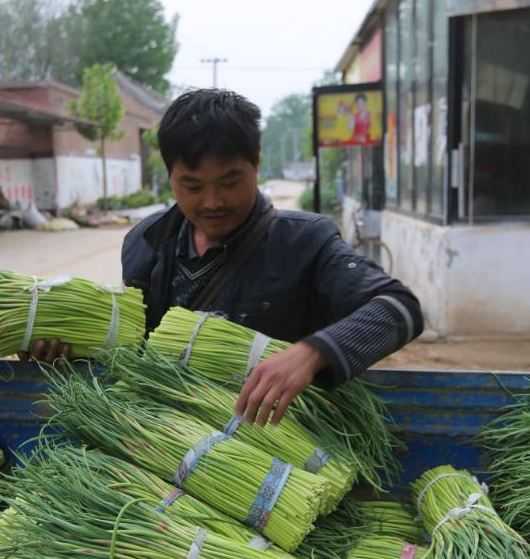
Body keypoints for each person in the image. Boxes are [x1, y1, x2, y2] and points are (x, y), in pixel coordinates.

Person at [121, 88, 423, 426]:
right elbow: (131, 348)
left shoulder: (304, 242)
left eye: (230, 182)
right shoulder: (144, 243)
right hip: (166, 436)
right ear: (170, 175)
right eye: (193, 187)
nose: (213, 201)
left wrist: (313, 352)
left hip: (269, 437)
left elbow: (399, 308)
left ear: (256, 161)